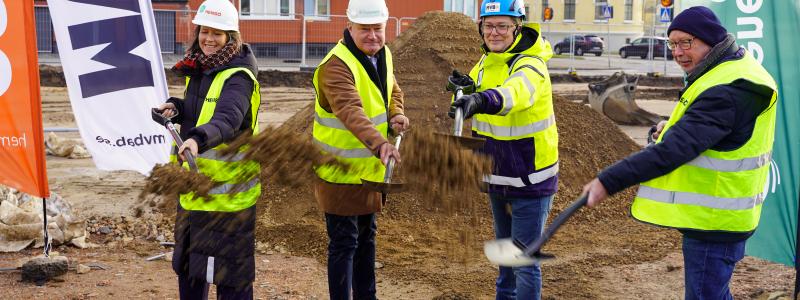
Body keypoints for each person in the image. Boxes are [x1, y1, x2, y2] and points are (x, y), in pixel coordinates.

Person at [582, 6, 778, 300]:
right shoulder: (729, 70)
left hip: (714, 222)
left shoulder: (728, 88)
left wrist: (608, 181)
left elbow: (674, 151)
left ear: (710, 41)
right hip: (718, 218)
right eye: (672, 44)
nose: (677, 52)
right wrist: (670, 125)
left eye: (686, 42)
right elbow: (712, 131)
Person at [448, 0, 558, 299]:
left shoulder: (530, 64)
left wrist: (480, 100)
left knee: (522, 262)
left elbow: (515, 93)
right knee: (506, 259)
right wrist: (465, 91)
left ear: (517, 27)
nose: (494, 32)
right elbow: (480, 92)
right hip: (497, 176)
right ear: (480, 28)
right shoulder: (485, 62)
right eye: (488, 25)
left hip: (528, 179)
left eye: (502, 25)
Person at [156, 0, 262, 298]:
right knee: (189, 269)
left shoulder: (238, 76)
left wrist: (196, 139)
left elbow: (227, 118)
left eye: (218, 33)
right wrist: (175, 108)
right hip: (196, 189)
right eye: (205, 31)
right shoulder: (203, 67)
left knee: (230, 278)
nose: (209, 39)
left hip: (227, 198)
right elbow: (200, 109)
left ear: (232, 36)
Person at [311, 0, 409, 299]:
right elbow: (350, 110)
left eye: (377, 29)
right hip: (339, 173)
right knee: (344, 243)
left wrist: (396, 113)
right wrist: (381, 143)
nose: (372, 36)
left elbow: (391, 88)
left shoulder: (383, 54)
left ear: (385, 27)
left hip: (369, 171)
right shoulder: (336, 66)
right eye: (364, 29)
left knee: (367, 239)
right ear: (349, 26)